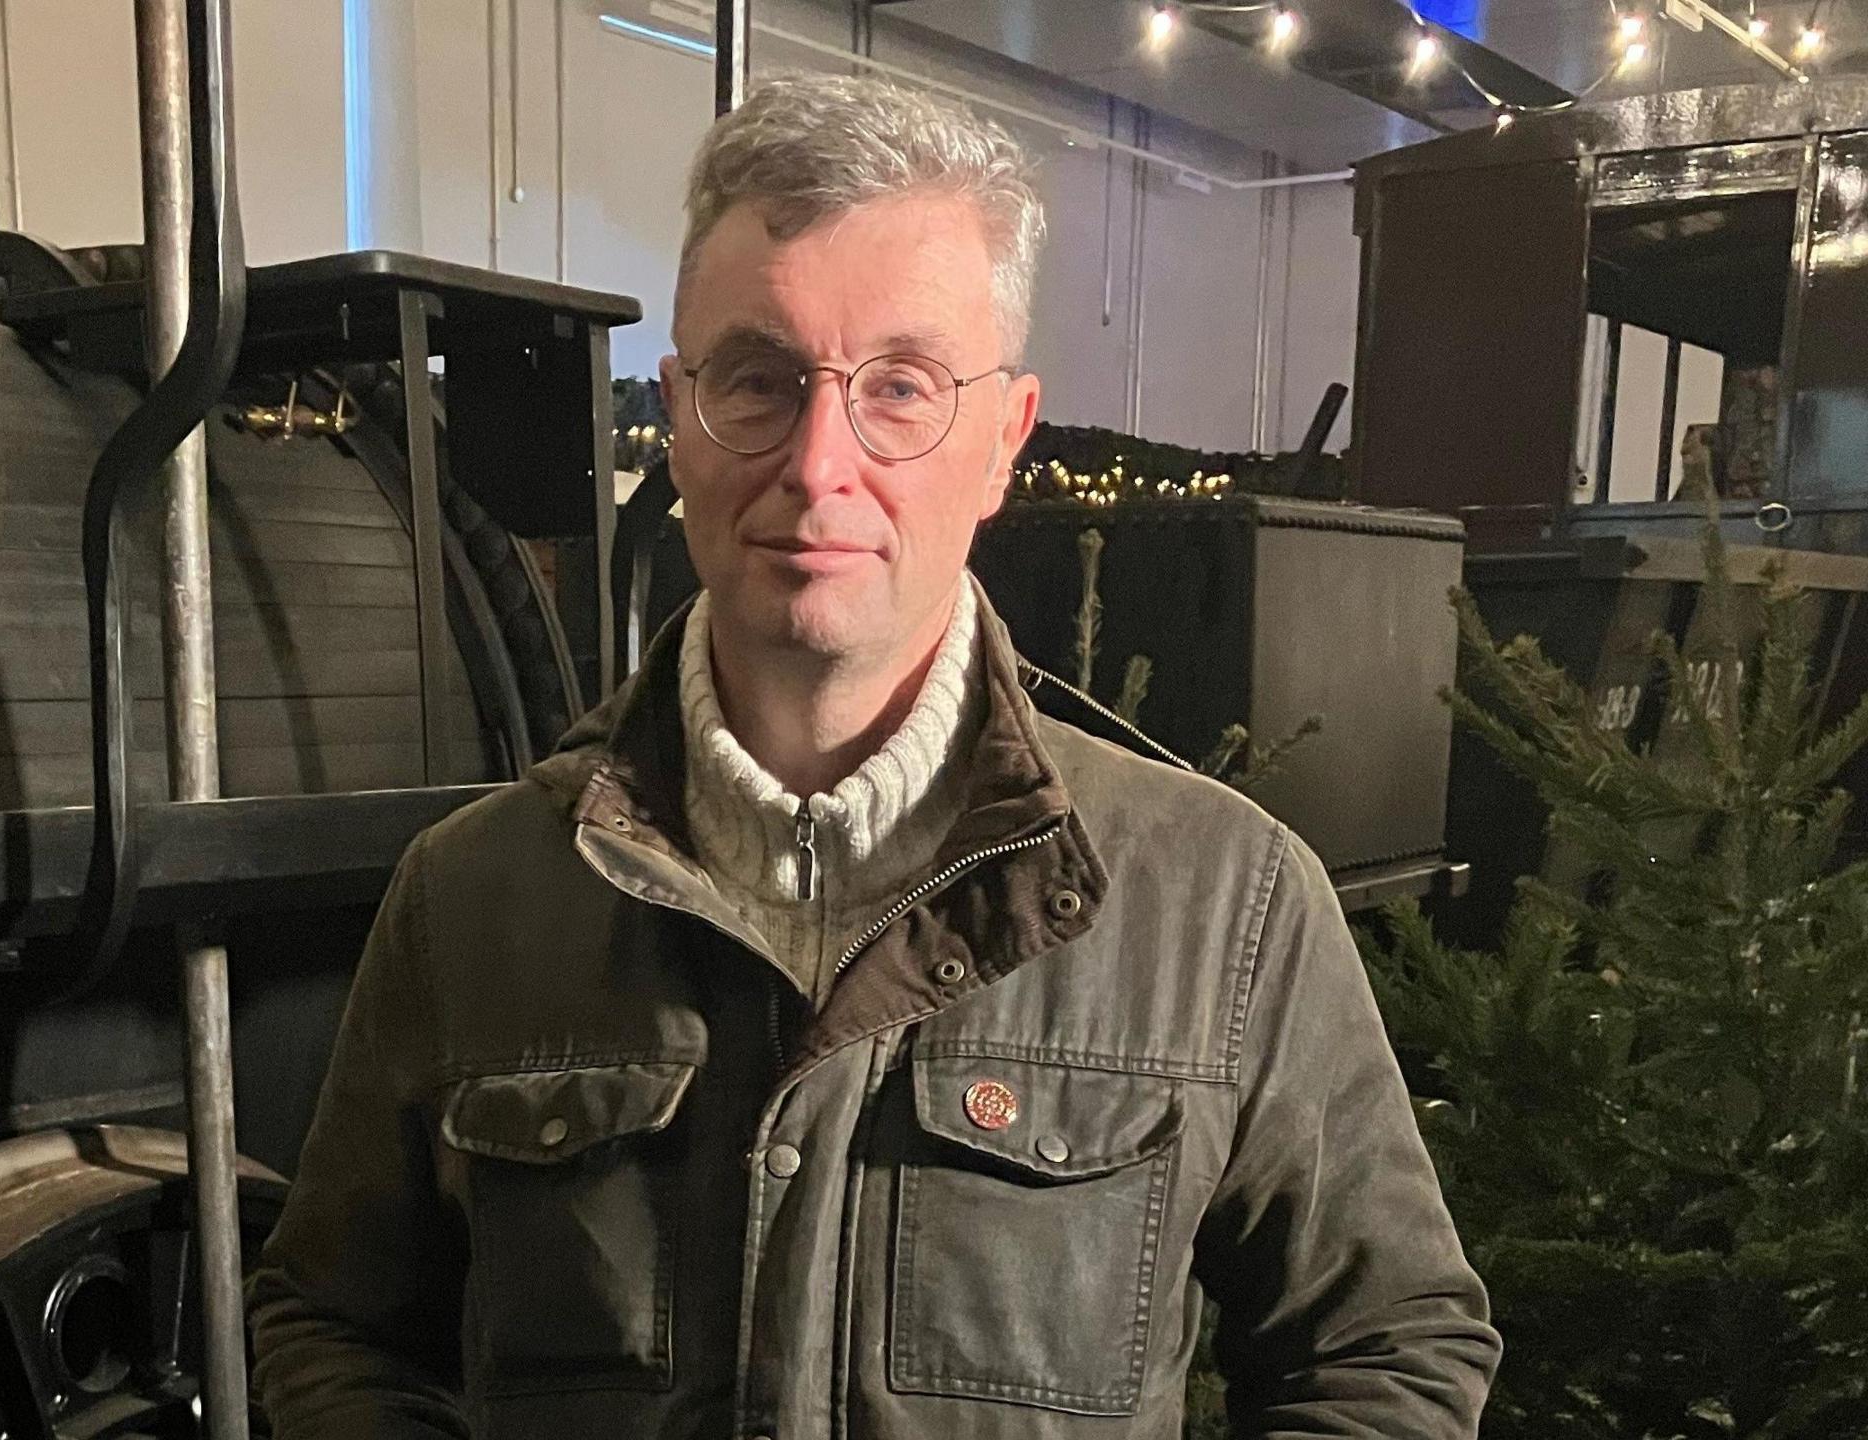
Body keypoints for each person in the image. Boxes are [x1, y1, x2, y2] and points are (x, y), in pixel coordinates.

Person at [249, 72, 1500, 1439]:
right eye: (759, 380)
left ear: (1003, 441)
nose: (819, 461)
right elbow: (336, 1324)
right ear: (679, 411)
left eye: (900, 388)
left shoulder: (1225, 909)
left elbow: (1387, 1351)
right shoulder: (477, 897)